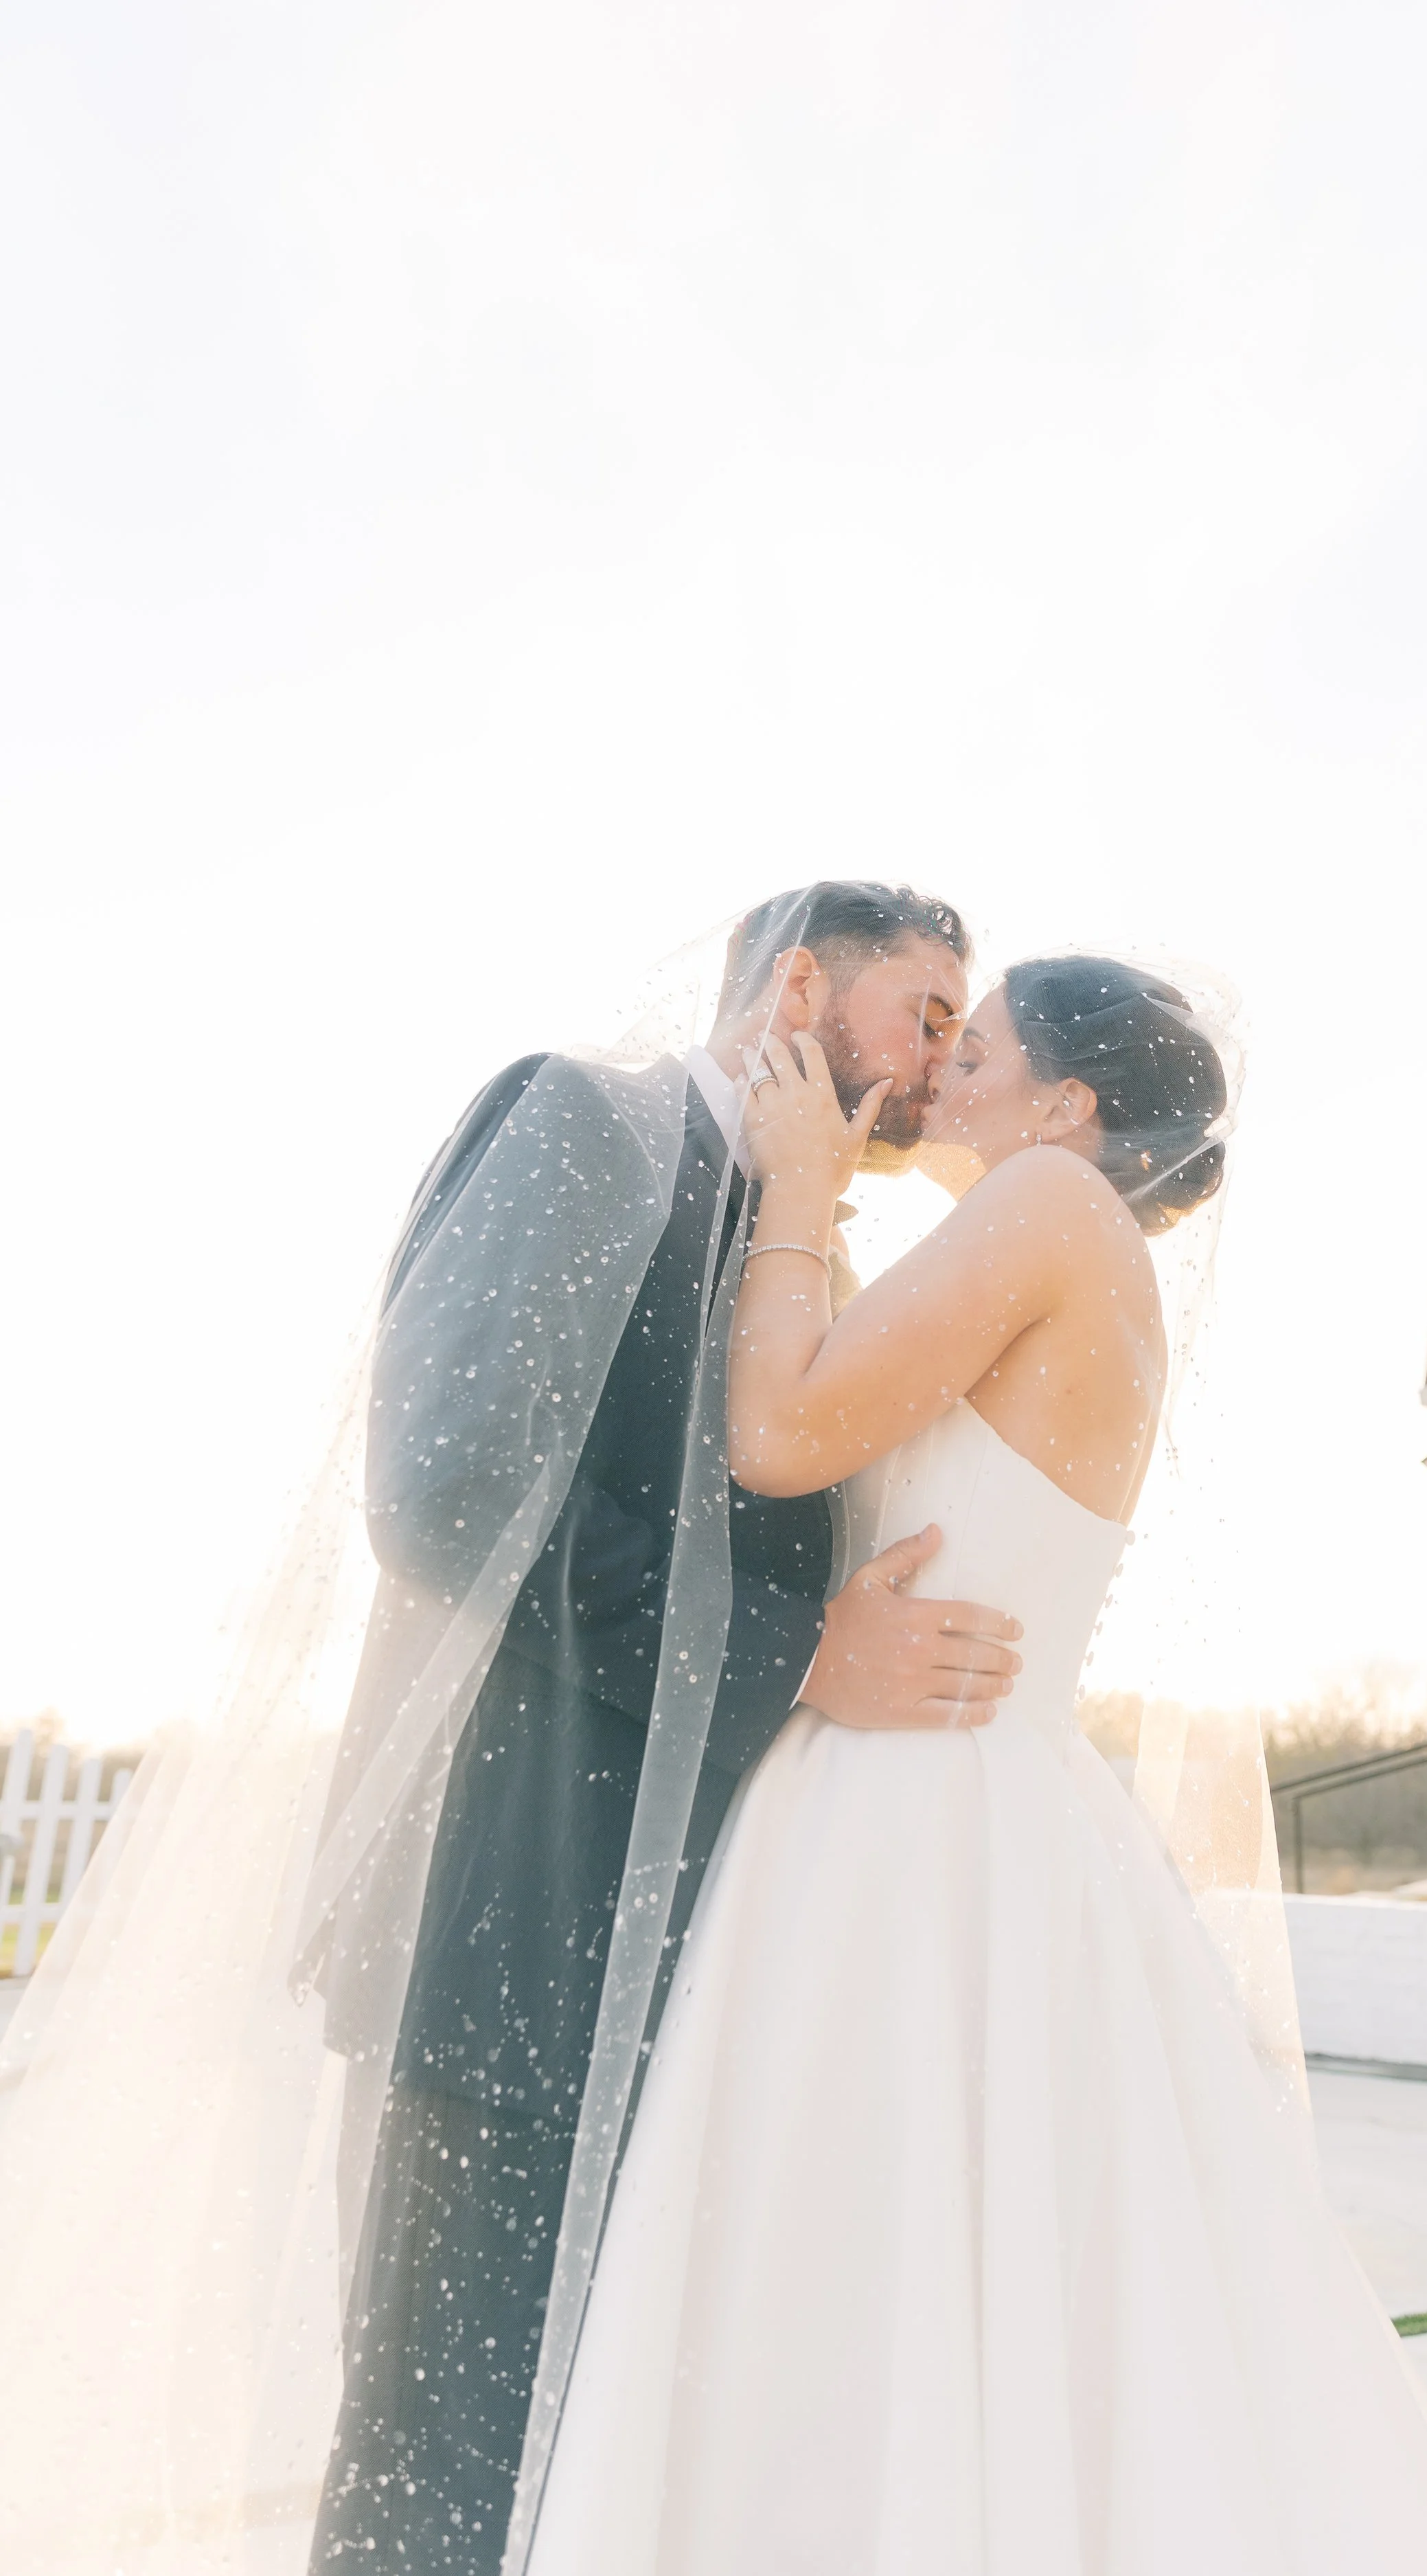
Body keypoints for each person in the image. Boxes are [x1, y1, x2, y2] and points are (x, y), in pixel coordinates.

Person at [526, 958, 1427, 2575]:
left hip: (909, 1812)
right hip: (972, 1797)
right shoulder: (1063, 1238)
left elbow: (778, 1438)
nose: (941, 1072)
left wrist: (791, 1183)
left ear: (1061, 1107)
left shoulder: (1048, 1205)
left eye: (971, 1047)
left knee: (852, 2251)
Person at [310, 884, 1027, 2574]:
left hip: (714, 1940)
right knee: (452, 2453)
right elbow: (449, 1488)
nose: (940, 1062)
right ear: (795, 983)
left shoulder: (806, 1235)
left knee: (615, 2459)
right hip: (520, 1919)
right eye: (924, 1013)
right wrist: (799, 1661)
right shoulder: (582, 1118)